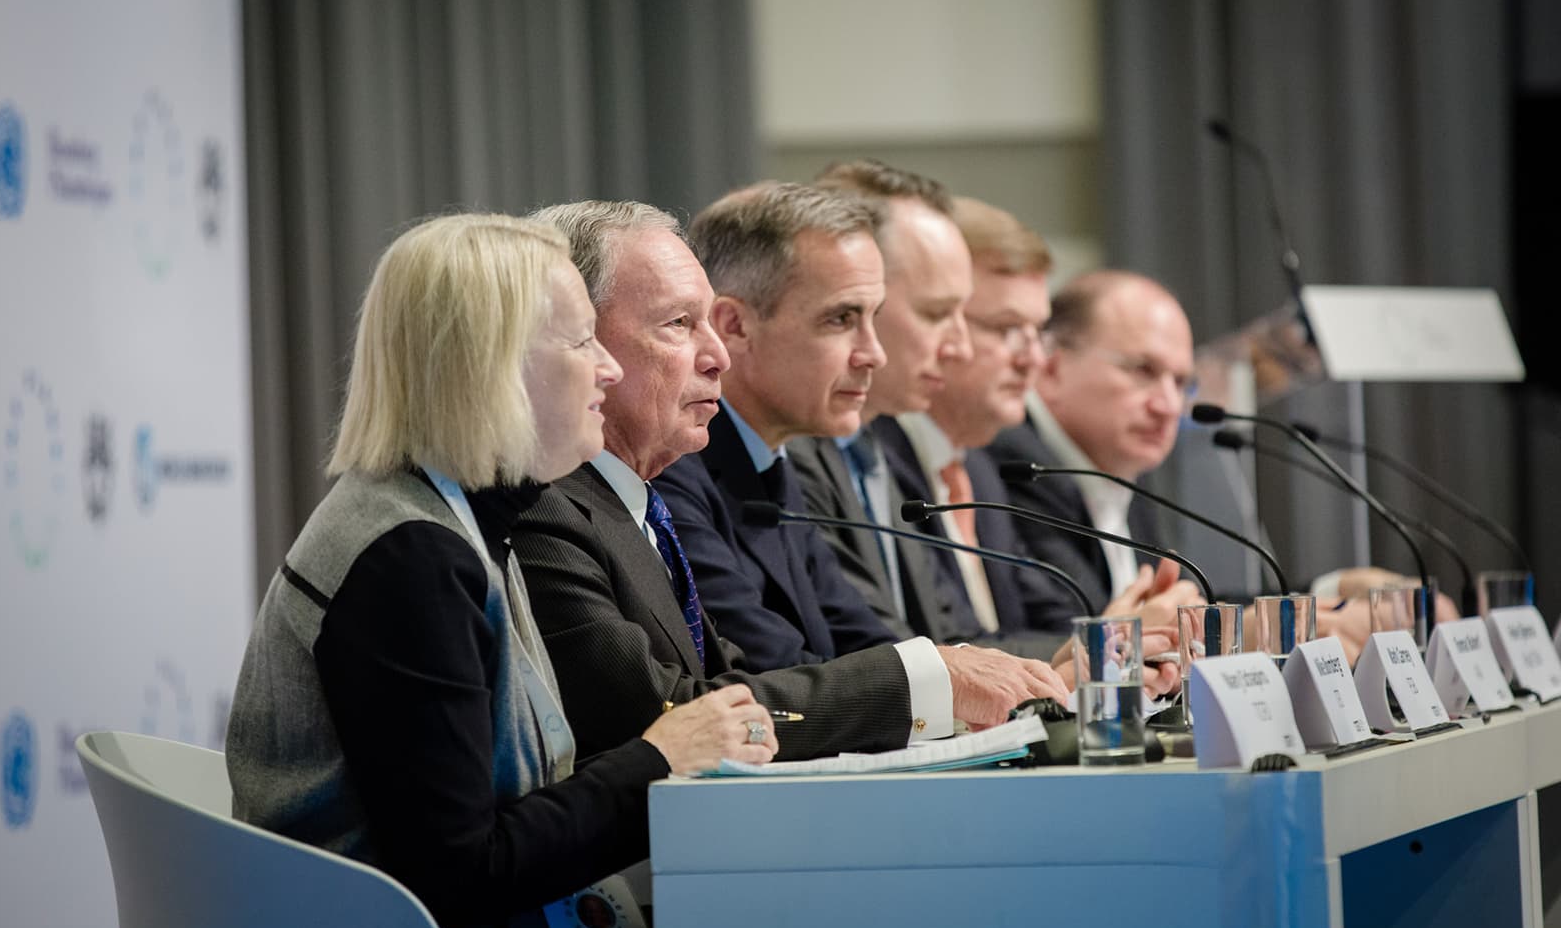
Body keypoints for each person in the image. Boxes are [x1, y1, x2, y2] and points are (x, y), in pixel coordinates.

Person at [225, 213, 776, 928]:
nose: (607, 370)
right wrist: (658, 758)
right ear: (493, 363)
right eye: (582, 341)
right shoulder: (408, 557)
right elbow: (461, 873)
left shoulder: (458, 517)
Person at [509, 198, 1069, 763]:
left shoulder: (645, 496)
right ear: (579, 341)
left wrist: (952, 686)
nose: (718, 357)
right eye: (679, 324)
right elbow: (671, 715)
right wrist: (930, 679)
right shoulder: (545, 508)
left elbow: (748, 677)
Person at [788, 161, 1064, 660]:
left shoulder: (874, 450)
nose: (957, 345)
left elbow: (951, 635)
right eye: (938, 314)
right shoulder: (794, 455)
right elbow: (883, 652)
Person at [988, 269, 1193, 610]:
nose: (1169, 406)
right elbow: (1074, 628)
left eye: (1180, 382)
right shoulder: (1018, 464)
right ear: (1052, 369)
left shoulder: (1124, 468)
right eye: (1143, 370)